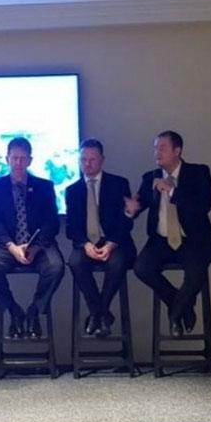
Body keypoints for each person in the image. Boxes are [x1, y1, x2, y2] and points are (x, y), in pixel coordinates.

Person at [125, 131, 211, 337]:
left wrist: (172, 191)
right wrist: (131, 210)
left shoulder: (199, 173)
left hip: (193, 240)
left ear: (177, 151)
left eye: (162, 148)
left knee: (196, 275)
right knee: (141, 268)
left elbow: (203, 206)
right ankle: (181, 305)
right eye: (155, 148)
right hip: (161, 240)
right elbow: (139, 204)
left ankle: (175, 313)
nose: (156, 153)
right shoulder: (150, 177)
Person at [0, 137, 64, 339]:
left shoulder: (44, 187)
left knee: (56, 266)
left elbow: (51, 222)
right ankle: (14, 312)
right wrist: (12, 247)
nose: (18, 163)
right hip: (7, 245)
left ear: (30, 160)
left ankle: (34, 311)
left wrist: (35, 247)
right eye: (14, 158)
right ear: (7, 159)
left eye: (22, 159)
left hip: (39, 244)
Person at [65, 139, 136, 337]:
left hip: (115, 242)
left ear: (102, 160)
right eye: (83, 160)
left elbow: (126, 222)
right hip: (86, 244)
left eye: (92, 159)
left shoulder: (119, 184)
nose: (87, 164)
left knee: (118, 262)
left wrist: (111, 244)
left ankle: (97, 314)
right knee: (75, 262)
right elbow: (72, 228)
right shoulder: (72, 190)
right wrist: (86, 244)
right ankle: (103, 315)